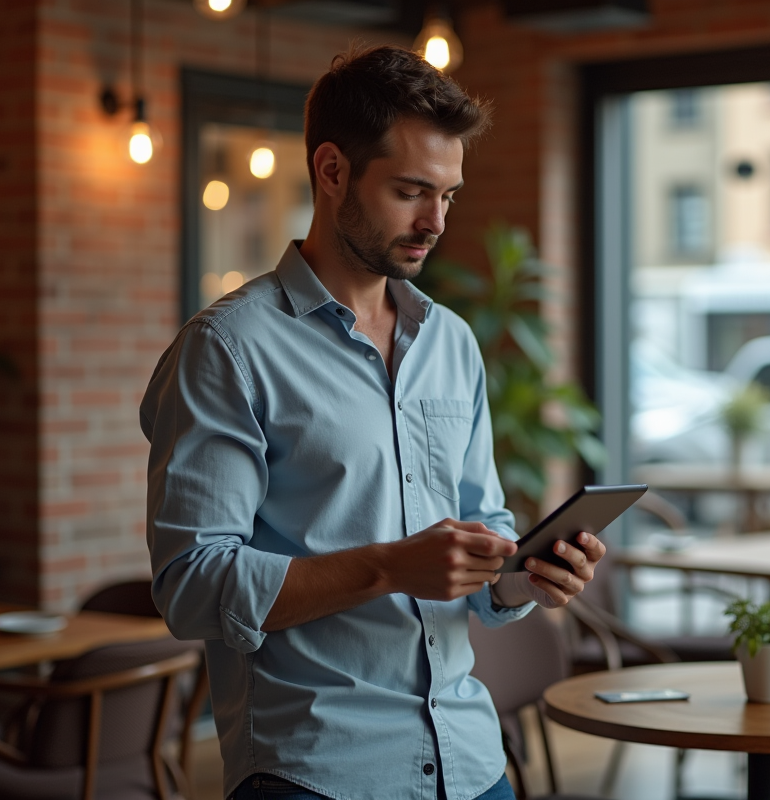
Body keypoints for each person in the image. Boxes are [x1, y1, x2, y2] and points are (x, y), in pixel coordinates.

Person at [140, 45, 606, 800]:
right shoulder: (227, 349)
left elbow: (482, 524)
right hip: (317, 770)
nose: (436, 221)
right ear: (332, 171)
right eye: (411, 191)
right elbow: (192, 587)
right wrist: (388, 567)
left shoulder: (451, 341)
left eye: (448, 195)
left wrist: (522, 577)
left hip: (471, 761)